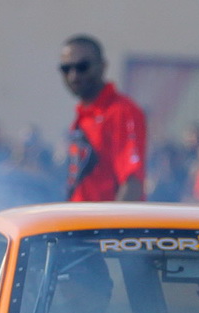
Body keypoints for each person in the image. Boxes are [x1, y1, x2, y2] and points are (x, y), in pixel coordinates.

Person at [59, 34, 147, 201]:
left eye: (82, 67)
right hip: (79, 216)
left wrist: (115, 219)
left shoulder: (121, 112)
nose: (73, 76)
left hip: (104, 217)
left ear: (102, 66)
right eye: (66, 68)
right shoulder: (83, 115)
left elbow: (132, 183)